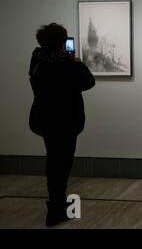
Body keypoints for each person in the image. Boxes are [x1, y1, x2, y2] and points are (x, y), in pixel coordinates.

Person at [28, 23, 95, 227]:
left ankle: (56, 204)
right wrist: (77, 62)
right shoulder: (66, 64)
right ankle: (56, 210)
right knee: (62, 163)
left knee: (54, 160)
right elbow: (88, 82)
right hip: (66, 121)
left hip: (45, 119)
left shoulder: (38, 60)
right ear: (62, 42)